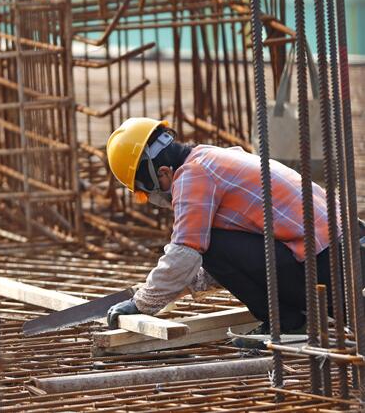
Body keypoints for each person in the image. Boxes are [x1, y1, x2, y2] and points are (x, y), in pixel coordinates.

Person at [104, 117, 354, 347]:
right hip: (347, 252)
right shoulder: (213, 157)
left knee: (205, 245)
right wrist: (172, 286)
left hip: (326, 269)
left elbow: (186, 252)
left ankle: (286, 323)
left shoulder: (193, 176)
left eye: (148, 193)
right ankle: (291, 318)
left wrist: (142, 303)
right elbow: (237, 259)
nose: (154, 199)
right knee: (206, 243)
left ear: (163, 173)